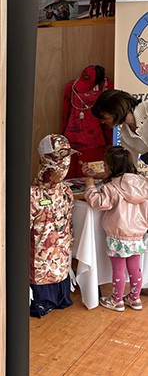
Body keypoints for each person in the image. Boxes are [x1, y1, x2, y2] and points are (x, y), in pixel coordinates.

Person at [84, 146, 148, 311]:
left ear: (111, 167)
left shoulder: (111, 187)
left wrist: (90, 186)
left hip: (117, 235)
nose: (104, 168)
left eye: (105, 165)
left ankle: (116, 300)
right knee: (135, 268)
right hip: (137, 234)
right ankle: (135, 299)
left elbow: (98, 203)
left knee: (119, 269)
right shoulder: (143, 183)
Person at [30, 135, 77, 318]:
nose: (64, 164)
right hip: (39, 268)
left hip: (61, 263)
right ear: (45, 159)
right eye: (58, 158)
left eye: (67, 158)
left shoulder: (65, 190)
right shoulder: (33, 195)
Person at [61, 65, 112, 177]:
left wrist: (110, 142)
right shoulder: (72, 86)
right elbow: (65, 113)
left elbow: (109, 120)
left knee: (89, 176)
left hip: (92, 141)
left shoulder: (106, 88)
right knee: (70, 176)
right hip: (75, 139)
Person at [88, 89, 148, 167]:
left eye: (103, 116)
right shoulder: (125, 136)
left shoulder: (146, 108)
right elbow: (130, 167)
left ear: (114, 108)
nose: (102, 122)